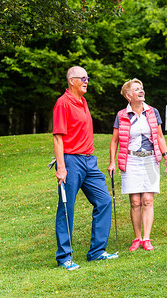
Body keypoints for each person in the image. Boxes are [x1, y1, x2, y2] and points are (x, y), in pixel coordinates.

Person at [52, 66, 118, 270]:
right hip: (71, 161)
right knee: (66, 207)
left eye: (87, 78)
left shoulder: (83, 102)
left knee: (105, 201)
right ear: (71, 81)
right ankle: (64, 257)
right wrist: (61, 167)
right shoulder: (63, 103)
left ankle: (97, 252)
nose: (86, 81)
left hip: (90, 161)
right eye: (83, 78)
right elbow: (57, 137)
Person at [108, 78, 167, 251]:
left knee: (148, 200)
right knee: (135, 201)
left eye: (142, 88)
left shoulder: (152, 112)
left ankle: (146, 239)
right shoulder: (122, 115)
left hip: (150, 160)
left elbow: (159, 136)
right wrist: (112, 162)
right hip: (131, 161)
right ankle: (137, 238)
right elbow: (114, 141)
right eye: (137, 89)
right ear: (129, 96)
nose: (141, 91)